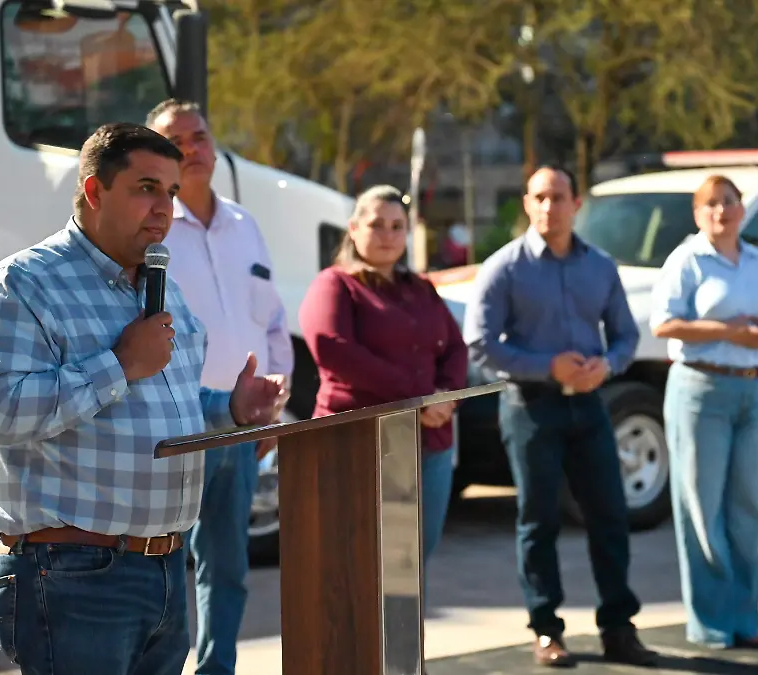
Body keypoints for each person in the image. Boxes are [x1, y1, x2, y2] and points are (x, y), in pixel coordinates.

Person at [0, 122, 287, 675]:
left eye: (170, 190)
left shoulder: (163, 290)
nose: (165, 206)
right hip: (72, 571)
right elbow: (0, 411)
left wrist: (232, 410)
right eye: (146, 187)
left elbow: (168, 407)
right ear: (94, 192)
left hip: (164, 569)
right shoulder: (25, 284)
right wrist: (119, 363)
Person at [463, 166, 658, 668]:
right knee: (539, 521)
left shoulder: (601, 266)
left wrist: (609, 365)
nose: (550, 206)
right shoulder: (504, 267)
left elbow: (625, 336)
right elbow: (480, 343)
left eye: (560, 196)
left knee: (610, 516)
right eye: (540, 197)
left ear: (576, 204)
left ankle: (618, 626)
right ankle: (546, 629)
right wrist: (545, 365)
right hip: (531, 407)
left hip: (590, 405)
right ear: (527, 204)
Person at [147, 98, 293, 675]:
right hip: (175, 427)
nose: (192, 149)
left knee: (227, 566)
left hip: (239, 428)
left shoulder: (244, 224)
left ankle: (217, 668)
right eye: (175, 140)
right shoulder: (151, 230)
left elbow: (273, 321)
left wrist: (274, 408)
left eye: (199, 136)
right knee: (162, 566)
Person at [298, 185, 467, 575]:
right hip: (361, 442)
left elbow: (455, 348)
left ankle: (404, 640)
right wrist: (419, 396)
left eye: (397, 226)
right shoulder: (335, 284)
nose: (388, 235)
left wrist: (446, 397)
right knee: (360, 568)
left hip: (430, 444)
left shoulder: (421, 288)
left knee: (411, 569)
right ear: (353, 229)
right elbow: (332, 347)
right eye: (377, 225)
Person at [650, 175, 758, 648]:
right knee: (702, 511)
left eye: (728, 202)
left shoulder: (754, 261)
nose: (720, 212)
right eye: (710, 205)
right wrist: (727, 330)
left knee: (747, 509)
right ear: (697, 214)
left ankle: (745, 619)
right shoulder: (687, 259)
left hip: (750, 392)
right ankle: (711, 623)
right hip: (701, 390)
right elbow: (664, 322)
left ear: (742, 210)